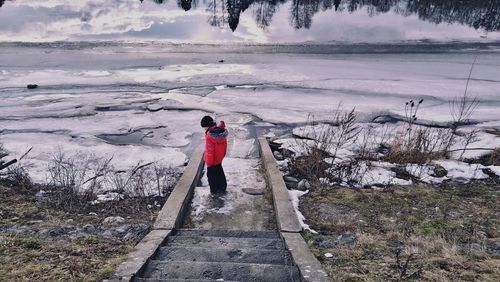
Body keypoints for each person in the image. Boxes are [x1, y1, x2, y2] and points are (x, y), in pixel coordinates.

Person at [201, 115, 228, 194]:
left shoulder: (210, 136)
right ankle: (222, 187)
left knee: (211, 176)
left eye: (204, 127)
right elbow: (225, 146)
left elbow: (209, 151)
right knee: (219, 172)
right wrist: (222, 156)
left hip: (212, 161)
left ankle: (214, 192)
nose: (204, 129)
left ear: (208, 125)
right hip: (219, 158)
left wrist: (209, 163)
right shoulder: (221, 132)